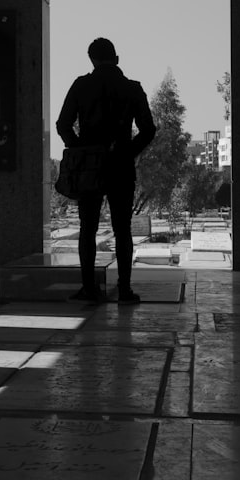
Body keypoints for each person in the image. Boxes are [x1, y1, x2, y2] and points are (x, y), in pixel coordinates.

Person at [56, 38, 156, 305]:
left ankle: (89, 289)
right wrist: (127, 152)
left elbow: (63, 125)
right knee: (122, 229)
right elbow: (148, 130)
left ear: (91, 60)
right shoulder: (132, 88)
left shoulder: (81, 85)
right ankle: (124, 290)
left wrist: (81, 151)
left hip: (89, 169)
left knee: (87, 228)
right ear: (117, 58)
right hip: (121, 166)